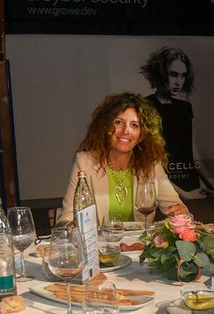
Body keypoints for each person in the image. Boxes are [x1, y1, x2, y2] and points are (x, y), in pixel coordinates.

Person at [59, 92, 187, 225]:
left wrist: (180, 213)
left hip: (140, 238)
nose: (126, 131)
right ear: (106, 127)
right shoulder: (84, 161)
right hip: (100, 239)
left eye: (134, 125)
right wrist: (70, 226)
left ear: (142, 135)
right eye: (119, 122)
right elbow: (66, 217)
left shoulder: (151, 164)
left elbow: (178, 209)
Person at [139, 46, 214, 199]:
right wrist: (184, 194)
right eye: (173, 74)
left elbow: (192, 152)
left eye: (183, 76)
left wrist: (209, 181)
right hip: (164, 188)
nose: (178, 82)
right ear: (161, 74)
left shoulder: (185, 107)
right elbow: (149, 161)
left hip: (191, 183)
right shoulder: (145, 106)